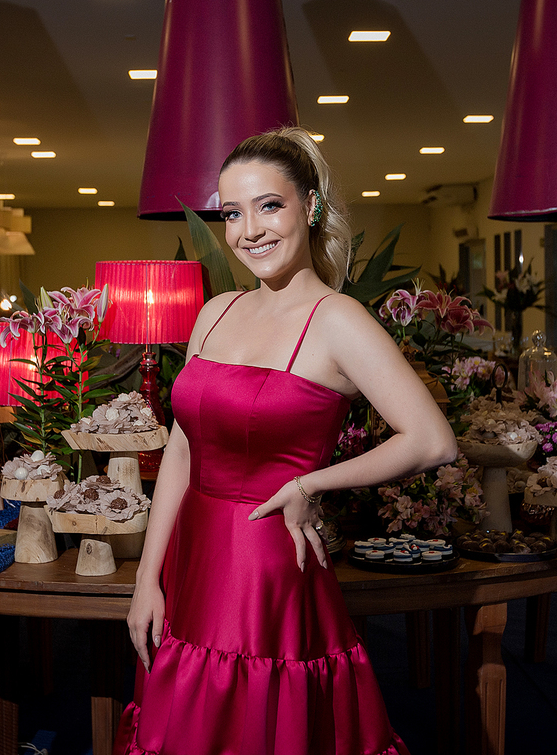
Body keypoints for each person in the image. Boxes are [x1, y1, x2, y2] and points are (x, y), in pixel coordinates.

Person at [115, 127, 458, 755]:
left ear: (311, 205)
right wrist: (147, 579)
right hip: (192, 561)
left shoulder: (339, 320)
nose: (250, 230)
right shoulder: (214, 312)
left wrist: (311, 483)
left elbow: (433, 440)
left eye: (269, 205)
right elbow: (181, 450)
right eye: (232, 213)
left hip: (267, 570)